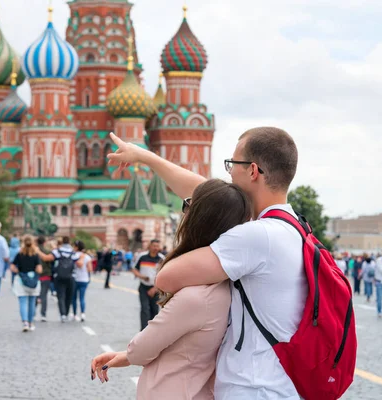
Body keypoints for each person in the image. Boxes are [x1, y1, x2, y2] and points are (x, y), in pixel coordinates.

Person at [107, 127, 307, 398]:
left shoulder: (255, 236)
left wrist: (193, 227)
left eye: (231, 164)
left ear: (253, 171)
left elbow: (165, 277)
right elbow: (205, 194)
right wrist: (145, 157)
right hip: (277, 384)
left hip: (254, 388)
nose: (228, 174)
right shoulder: (291, 226)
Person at [91, 179, 250, 398]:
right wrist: (125, 356)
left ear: (198, 220)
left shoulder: (197, 296)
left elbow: (142, 349)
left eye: (187, 206)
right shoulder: (229, 285)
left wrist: (130, 354)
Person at [38, 237, 80, 323]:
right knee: (68, 296)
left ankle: (63, 314)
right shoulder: (73, 252)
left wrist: (37, 251)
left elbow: (46, 258)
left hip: (59, 276)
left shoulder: (57, 251)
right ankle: (67, 313)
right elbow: (79, 263)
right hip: (71, 276)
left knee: (61, 296)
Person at [11, 236, 43, 332]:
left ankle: (25, 322)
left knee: (23, 302)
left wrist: (18, 271)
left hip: (21, 281)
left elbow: (12, 266)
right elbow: (39, 269)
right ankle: (30, 322)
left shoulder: (19, 254)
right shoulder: (36, 255)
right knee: (32, 302)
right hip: (33, 281)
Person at [132, 239, 164, 331]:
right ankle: (143, 331)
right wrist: (141, 276)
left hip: (156, 288)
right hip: (143, 287)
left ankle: (152, 331)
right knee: (144, 309)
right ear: (149, 246)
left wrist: (155, 288)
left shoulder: (162, 259)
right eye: (154, 246)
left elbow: (164, 275)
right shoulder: (142, 257)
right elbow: (134, 269)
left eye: (157, 246)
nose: (155, 248)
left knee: (154, 310)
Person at [72, 240, 91, 322]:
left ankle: (75, 314)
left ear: (76, 247)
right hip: (84, 279)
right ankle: (83, 313)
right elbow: (90, 269)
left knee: (74, 298)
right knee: (82, 297)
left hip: (75, 278)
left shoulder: (73, 256)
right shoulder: (87, 257)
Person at [36, 236, 53, 322]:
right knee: (44, 295)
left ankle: (32, 313)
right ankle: (43, 314)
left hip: (36, 276)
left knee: (34, 295)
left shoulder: (33, 251)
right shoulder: (47, 251)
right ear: (44, 242)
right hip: (46, 275)